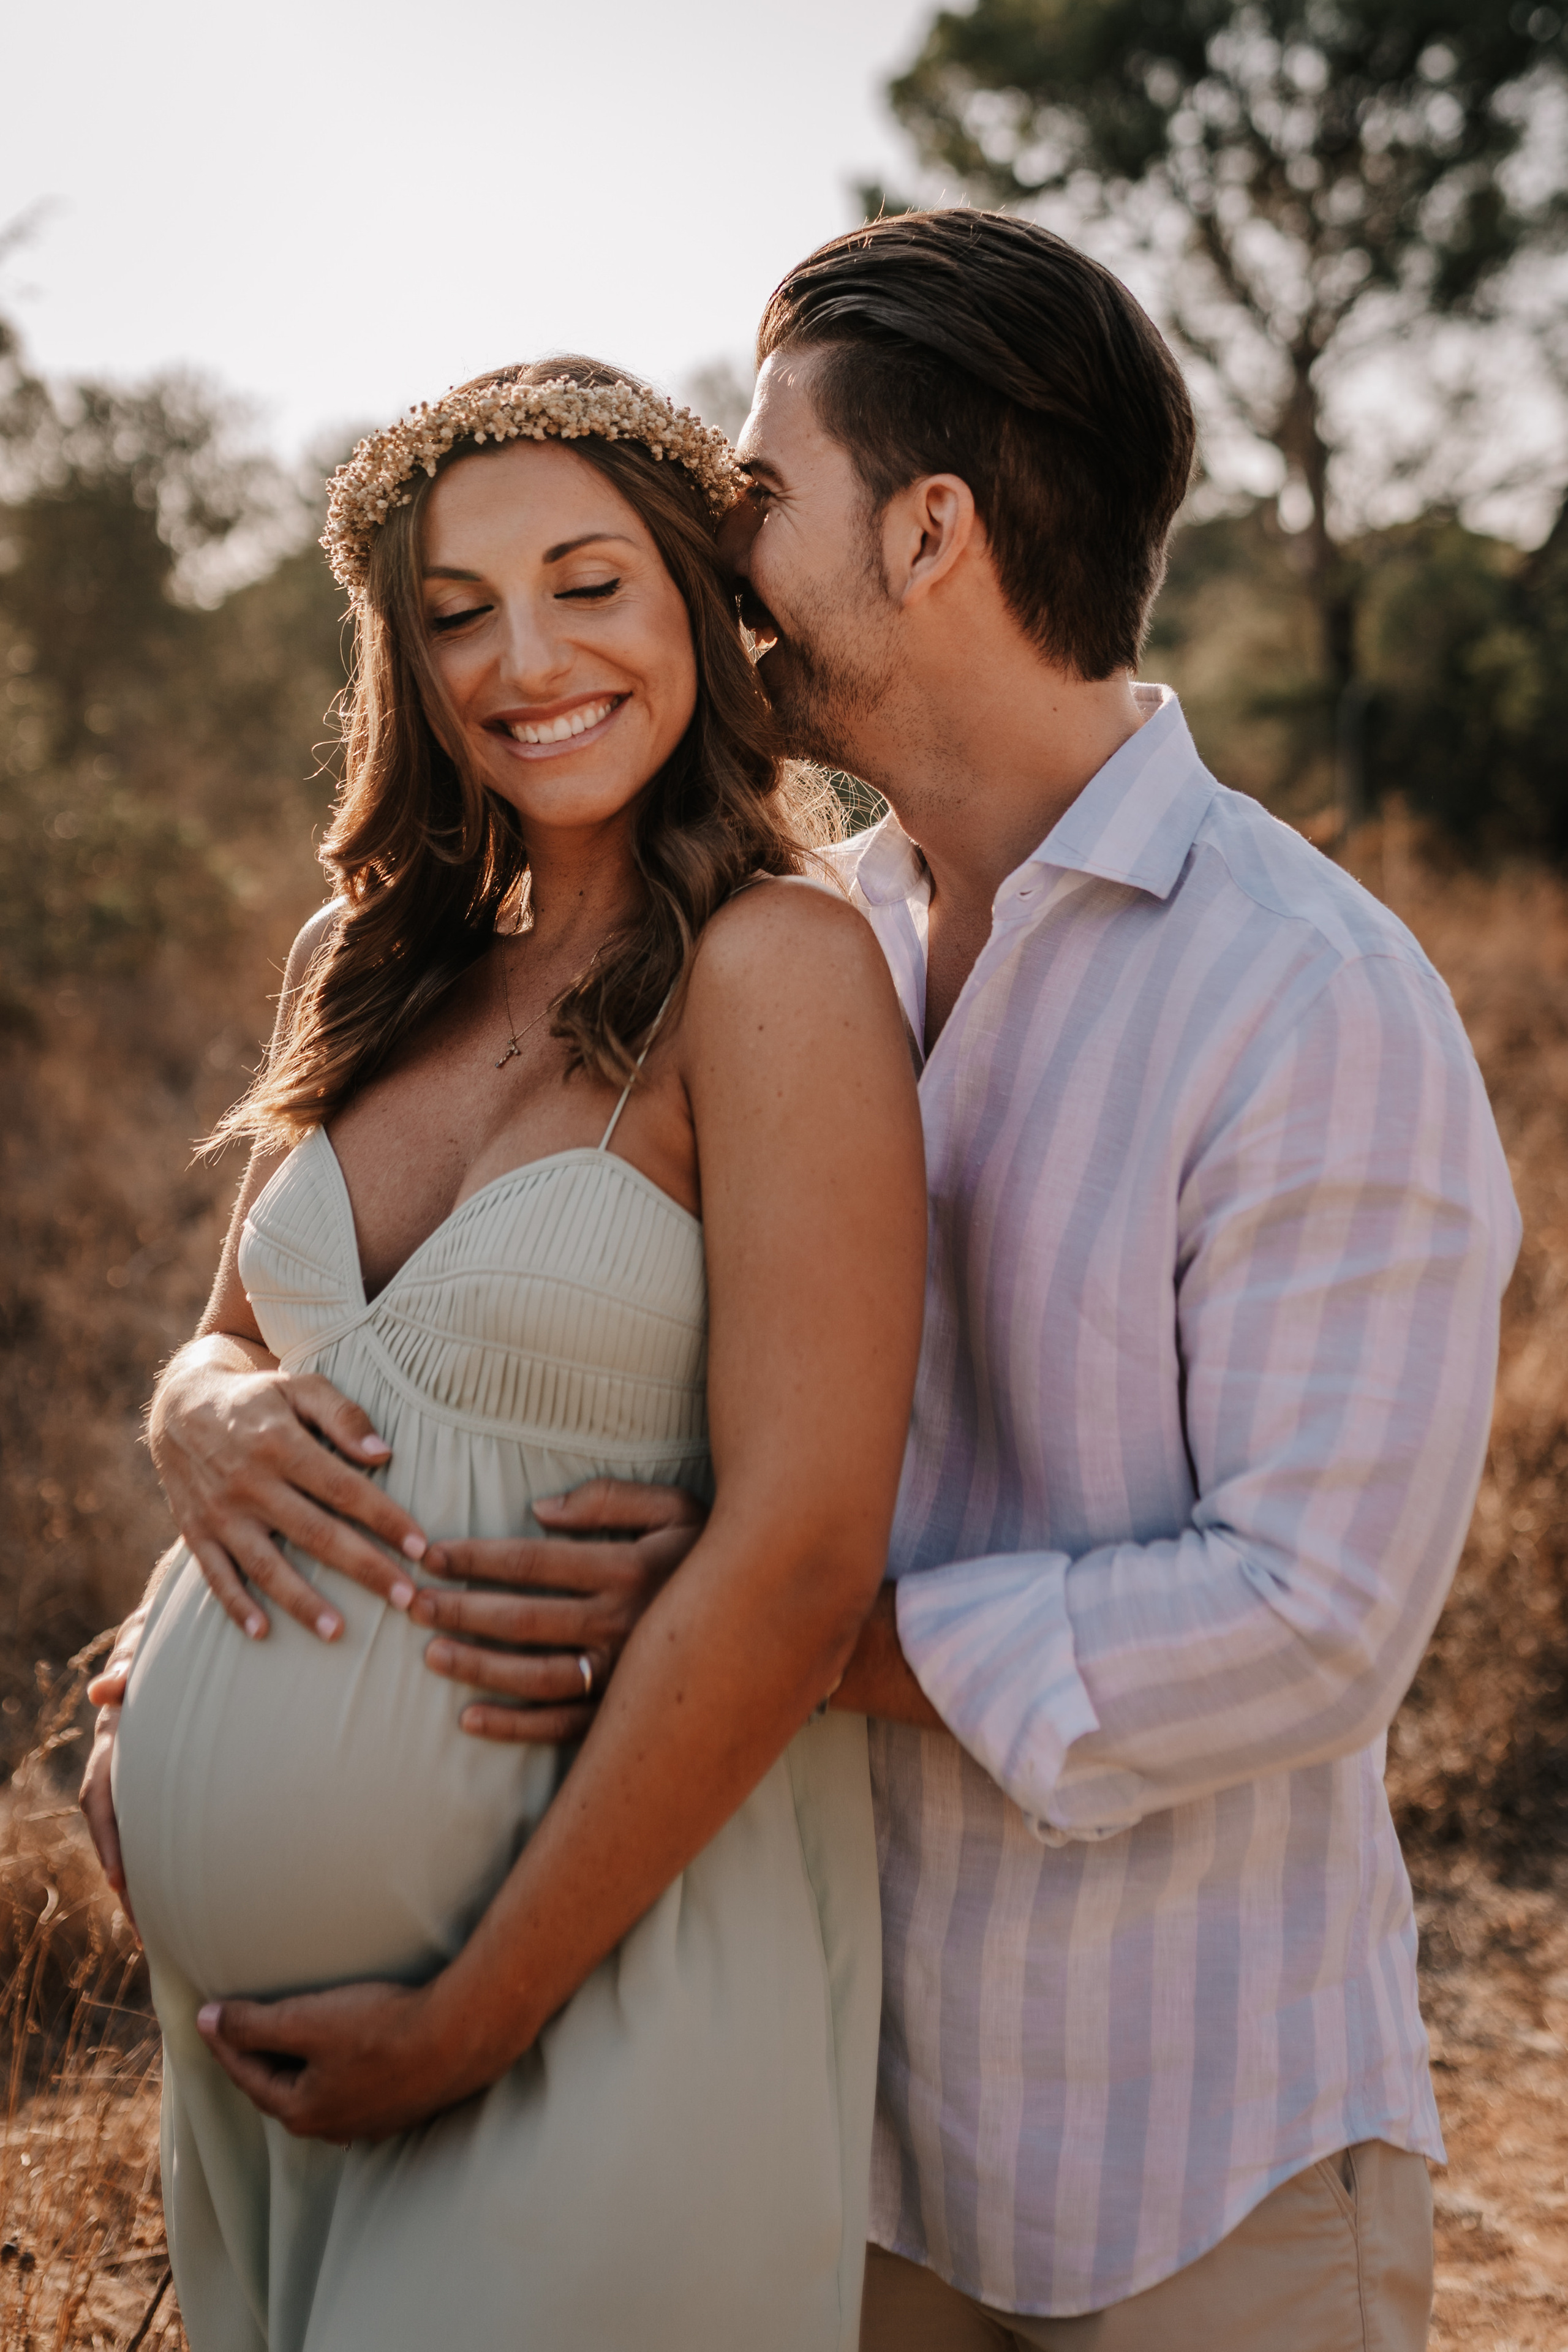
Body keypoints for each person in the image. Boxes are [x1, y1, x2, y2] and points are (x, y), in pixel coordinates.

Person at [86, 213, 1521, 2348]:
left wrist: (798, 1635)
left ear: (930, 532)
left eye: (755, 492)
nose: (718, 545)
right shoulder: (804, 927)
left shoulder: (1301, 993)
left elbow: (1313, 1614)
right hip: (826, 2092)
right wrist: (212, 1577)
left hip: (1174, 2136)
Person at [100, 355, 928, 2352]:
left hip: (599, 2000)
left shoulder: (778, 969)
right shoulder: (367, 961)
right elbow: (239, 1345)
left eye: (588, 585)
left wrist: (470, 2019)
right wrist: (193, 1418)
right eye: (457, 611)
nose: (525, 661)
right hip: (257, 2059)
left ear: (698, 606)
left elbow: (806, 1560)